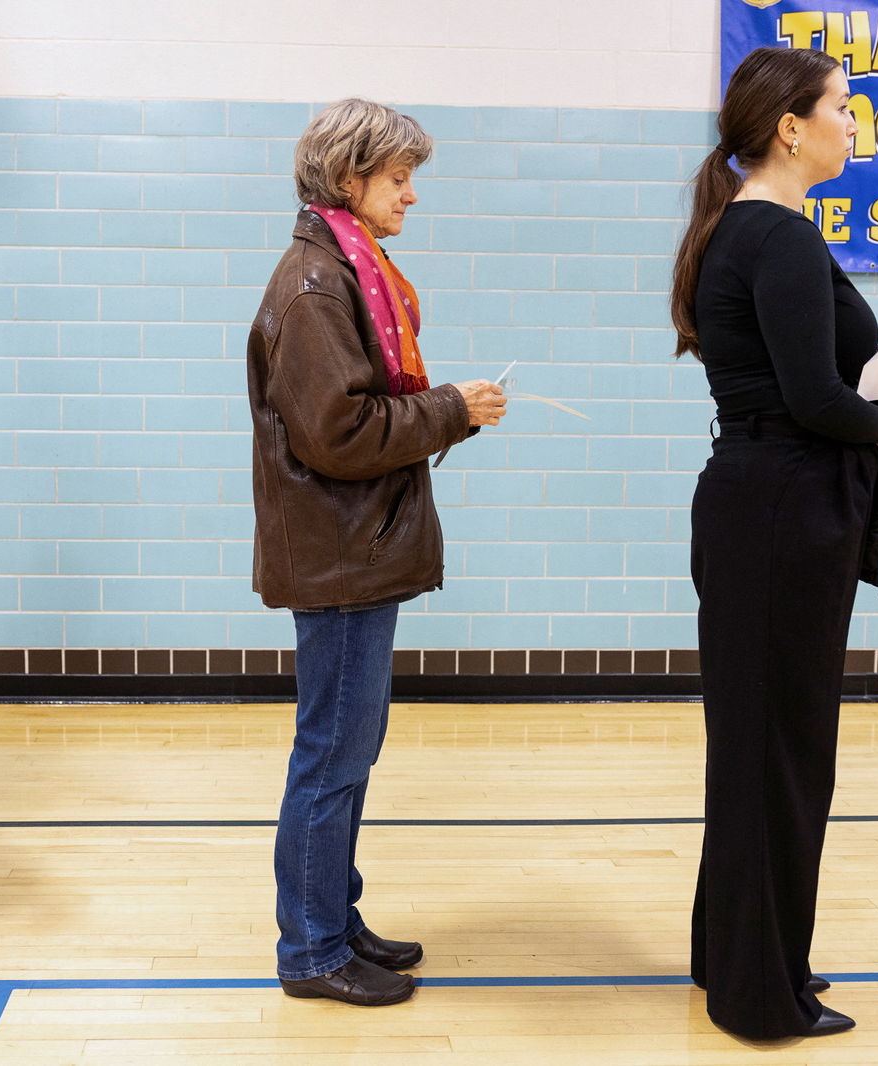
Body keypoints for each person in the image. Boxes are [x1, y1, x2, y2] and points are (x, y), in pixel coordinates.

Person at [669, 48, 878, 1038]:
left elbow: (812, 388)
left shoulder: (748, 228)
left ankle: (738, 958)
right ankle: (760, 992)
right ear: (789, 126)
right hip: (784, 514)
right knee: (781, 752)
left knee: (756, 749)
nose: (853, 124)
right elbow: (812, 401)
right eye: (842, 107)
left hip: (762, 505)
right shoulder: (777, 236)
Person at [248, 99, 508, 1006]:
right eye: (399, 178)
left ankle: (332, 917)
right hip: (342, 553)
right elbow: (341, 433)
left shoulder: (344, 271)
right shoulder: (317, 287)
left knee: (349, 749)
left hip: (353, 547)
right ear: (348, 179)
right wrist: (449, 411)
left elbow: (355, 417)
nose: (410, 196)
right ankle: (312, 950)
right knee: (332, 754)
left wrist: (448, 413)